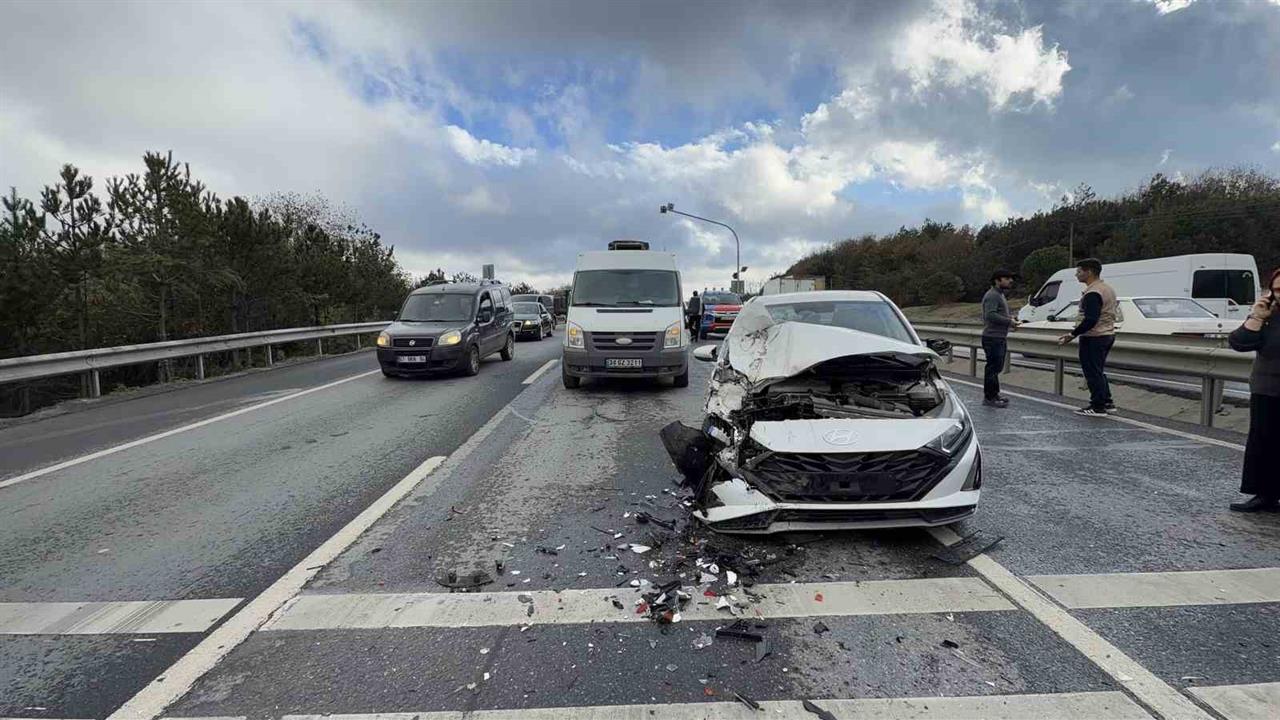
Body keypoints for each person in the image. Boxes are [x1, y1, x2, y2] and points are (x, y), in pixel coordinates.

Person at [1227, 268, 1280, 512]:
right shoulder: (1269, 316)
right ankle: (1264, 495)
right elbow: (1239, 342)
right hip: (1267, 388)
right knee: (1263, 443)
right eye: (1278, 290)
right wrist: (1256, 317)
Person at [1056, 258, 1117, 417]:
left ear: (1089, 272)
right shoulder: (1107, 288)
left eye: (1079, 271)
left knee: (1091, 371)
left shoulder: (1093, 292)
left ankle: (1097, 406)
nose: (1076, 275)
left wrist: (1072, 334)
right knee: (1098, 370)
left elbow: (1090, 319)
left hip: (1094, 336)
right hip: (1107, 333)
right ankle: (1107, 402)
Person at [981, 270, 1020, 407]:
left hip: (999, 337)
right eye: (1007, 278)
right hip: (992, 337)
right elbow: (990, 315)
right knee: (992, 368)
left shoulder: (999, 295)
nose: (1010, 281)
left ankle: (994, 394)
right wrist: (1009, 322)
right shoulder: (993, 295)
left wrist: (1010, 319)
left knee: (996, 367)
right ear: (997, 280)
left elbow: (998, 314)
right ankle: (989, 398)